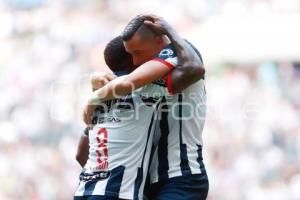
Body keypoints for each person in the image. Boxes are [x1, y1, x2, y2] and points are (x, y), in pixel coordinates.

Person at [84, 15, 208, 200]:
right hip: (147, 181)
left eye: (138, 52)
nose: (135, 61)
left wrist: (169, 29)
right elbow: (82, 149)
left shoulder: (179, 52)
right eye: (131, 54)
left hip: (181, 173)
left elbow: (195, 68)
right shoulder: (140, 80)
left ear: (159, 41)